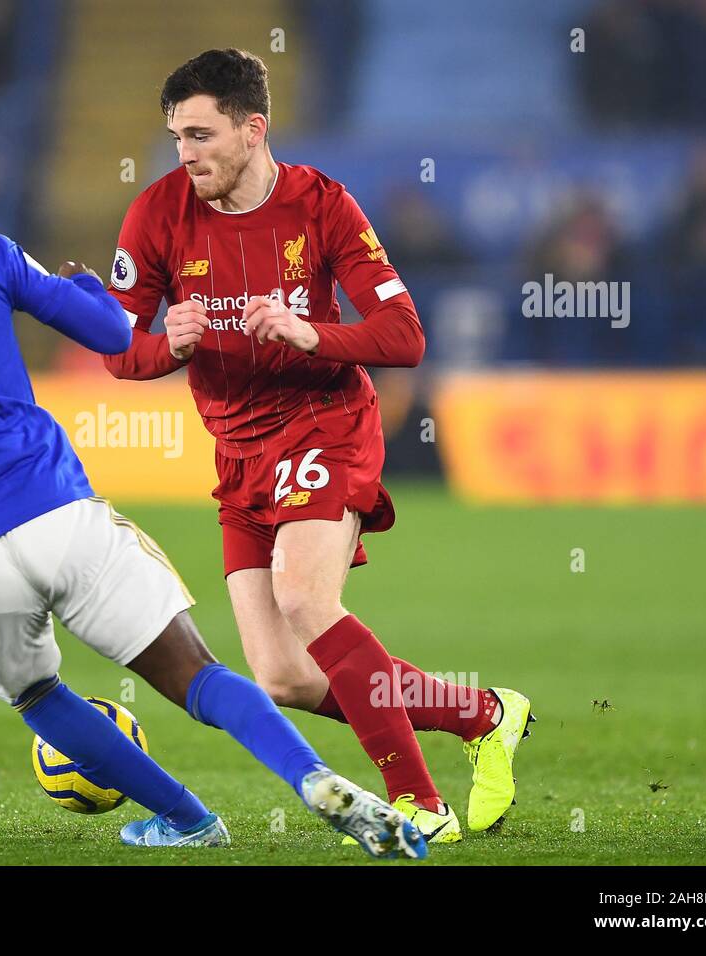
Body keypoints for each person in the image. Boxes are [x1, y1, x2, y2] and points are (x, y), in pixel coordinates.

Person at [0, 142, 425, 858]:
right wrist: (84, 290)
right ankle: (314, 777)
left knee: (40, 698)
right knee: (199, 676)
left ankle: (189, 820)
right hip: (56, 511)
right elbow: (116, 333)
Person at [102, 49, 533, 841]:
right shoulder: (158, 214)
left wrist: (313, 333)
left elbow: (404, 337)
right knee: (284, 676)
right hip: (238, 454)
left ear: (252, 127)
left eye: (199, 134)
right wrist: (170, 348)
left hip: (324, 426)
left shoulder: (324, 206)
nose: (184, 153)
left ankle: (418, 801)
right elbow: (116, 348)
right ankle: (483, 713)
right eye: (174, 138)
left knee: (305, 599)